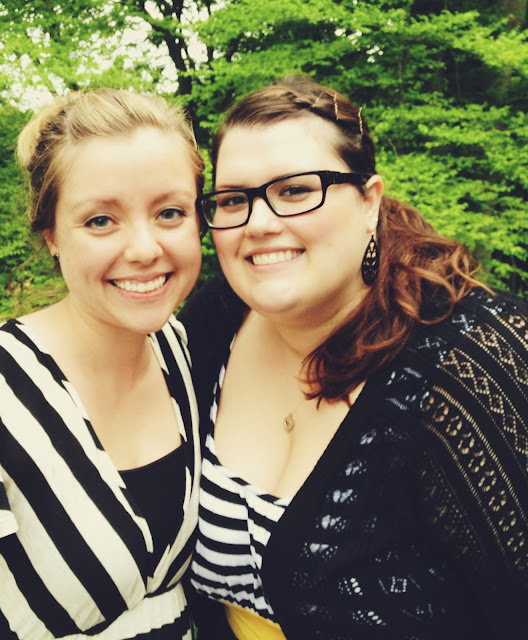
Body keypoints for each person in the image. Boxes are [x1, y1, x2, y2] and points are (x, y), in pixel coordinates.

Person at [179, 76, 528, 639]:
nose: (259, 223)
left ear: (369, 201)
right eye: (234, 199)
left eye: (296, 190)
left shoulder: (472, 364)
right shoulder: (212, 324)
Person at [0, 88, 204, 640]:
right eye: (101, 220)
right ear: (52, 234)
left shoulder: (185, 351)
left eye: (170, 212)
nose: (144, 248)